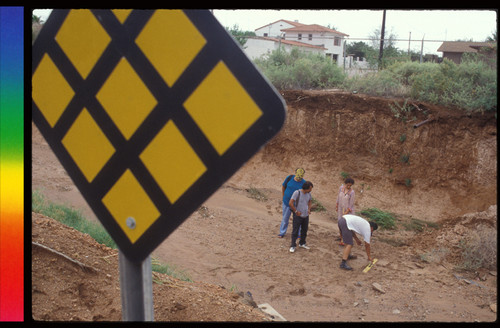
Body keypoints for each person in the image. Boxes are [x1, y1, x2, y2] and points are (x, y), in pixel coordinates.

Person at [278, 168, 306, 238]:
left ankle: (298, 234)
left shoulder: (304, 183)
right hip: (287, 202)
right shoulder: (289, 178)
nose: (299, 178)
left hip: (297, 205)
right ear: (295, 173)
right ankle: (282, 232)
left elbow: (305, 193)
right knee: (285, 218)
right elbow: (284, 186)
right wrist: (283, 195)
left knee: (297, 220)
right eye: (298, 176)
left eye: (301, 177)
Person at [289, 181, 314, 253]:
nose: (311, 190)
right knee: (295, 231)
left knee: (304, 230)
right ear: (306, 188)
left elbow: (309, 201)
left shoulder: (309, 194)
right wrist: (296, 211)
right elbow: (290, 203)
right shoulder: (297, 193)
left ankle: (302, 243)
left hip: (305, 215)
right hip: (298, 215)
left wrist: (309, 209)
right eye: (310, 189)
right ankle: (293, 245)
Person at [336, 178, 355, 245]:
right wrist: (337, 205)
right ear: (345, 184)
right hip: (340, 209)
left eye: (350, 185)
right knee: (340, 223)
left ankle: (344, 239)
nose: (349, 186)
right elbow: (338, 197)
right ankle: (341, 237)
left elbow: (351, 203)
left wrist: (347, 211)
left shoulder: (352, 192)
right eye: (348, 185)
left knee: (346, 225)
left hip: (347, 211)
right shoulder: (341, 188)